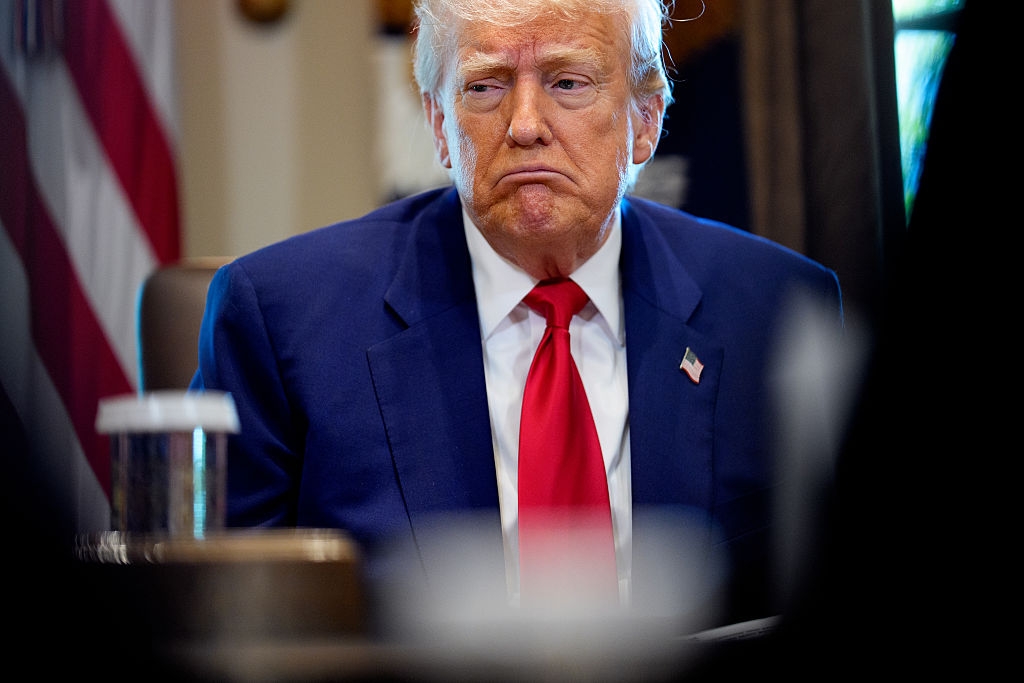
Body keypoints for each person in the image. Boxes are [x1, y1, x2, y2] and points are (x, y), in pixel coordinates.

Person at [191, 0, 842, 634]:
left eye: (567, 81)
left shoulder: (777, 313)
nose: (525, 123)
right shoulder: (281, 322)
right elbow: (223, 623)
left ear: (646, 118)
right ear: (440, 124)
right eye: (484, 86)